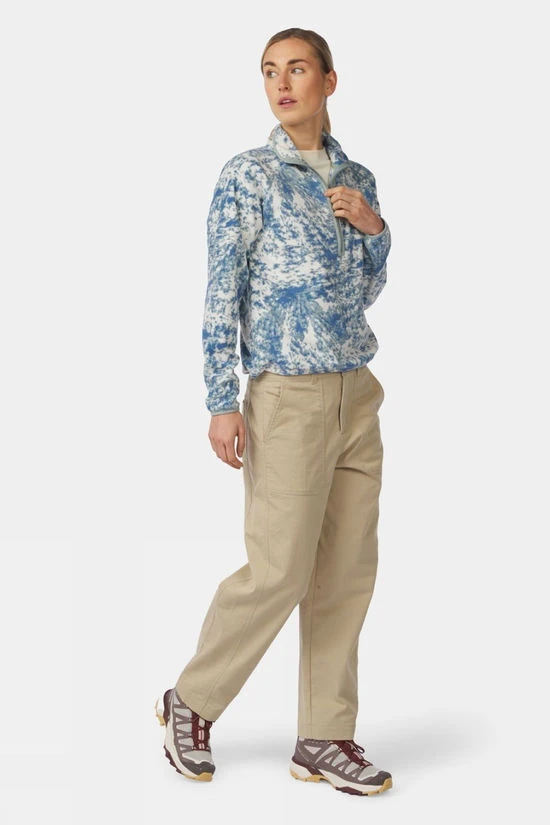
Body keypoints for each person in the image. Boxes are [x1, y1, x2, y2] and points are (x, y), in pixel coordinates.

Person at [155, 27, 393, 797]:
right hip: (286, 396)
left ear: (330, 80)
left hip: (356, 391)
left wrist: (374, 232)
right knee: (279, 568)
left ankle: (325, 734)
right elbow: (220, 288)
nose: (282, 84)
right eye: (269, 72)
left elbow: (361, 293)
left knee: (346, 572)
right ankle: (192, 699)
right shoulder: (250, 176)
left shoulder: (356, 177)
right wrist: (221, 399)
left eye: (296, 69)